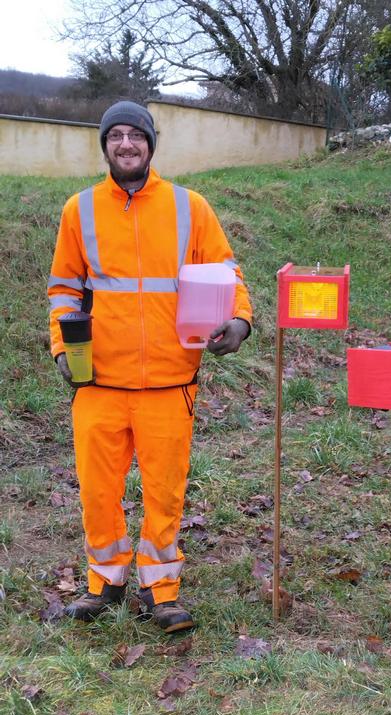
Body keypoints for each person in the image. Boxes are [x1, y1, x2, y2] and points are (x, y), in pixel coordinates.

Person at [48, 101, 253, 633]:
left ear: (150, 144)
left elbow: (227, 273)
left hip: (170, 379)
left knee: (164, 492)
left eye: (135, 135)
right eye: (115, 135)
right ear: (105, 146)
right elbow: (65, 288)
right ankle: (105, 583)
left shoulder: (190, 207)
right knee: (98, 491)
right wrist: (62, 349)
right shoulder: (79, 210)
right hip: (98, 380)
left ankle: (161, 591)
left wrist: (239, 321)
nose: (126, 144)